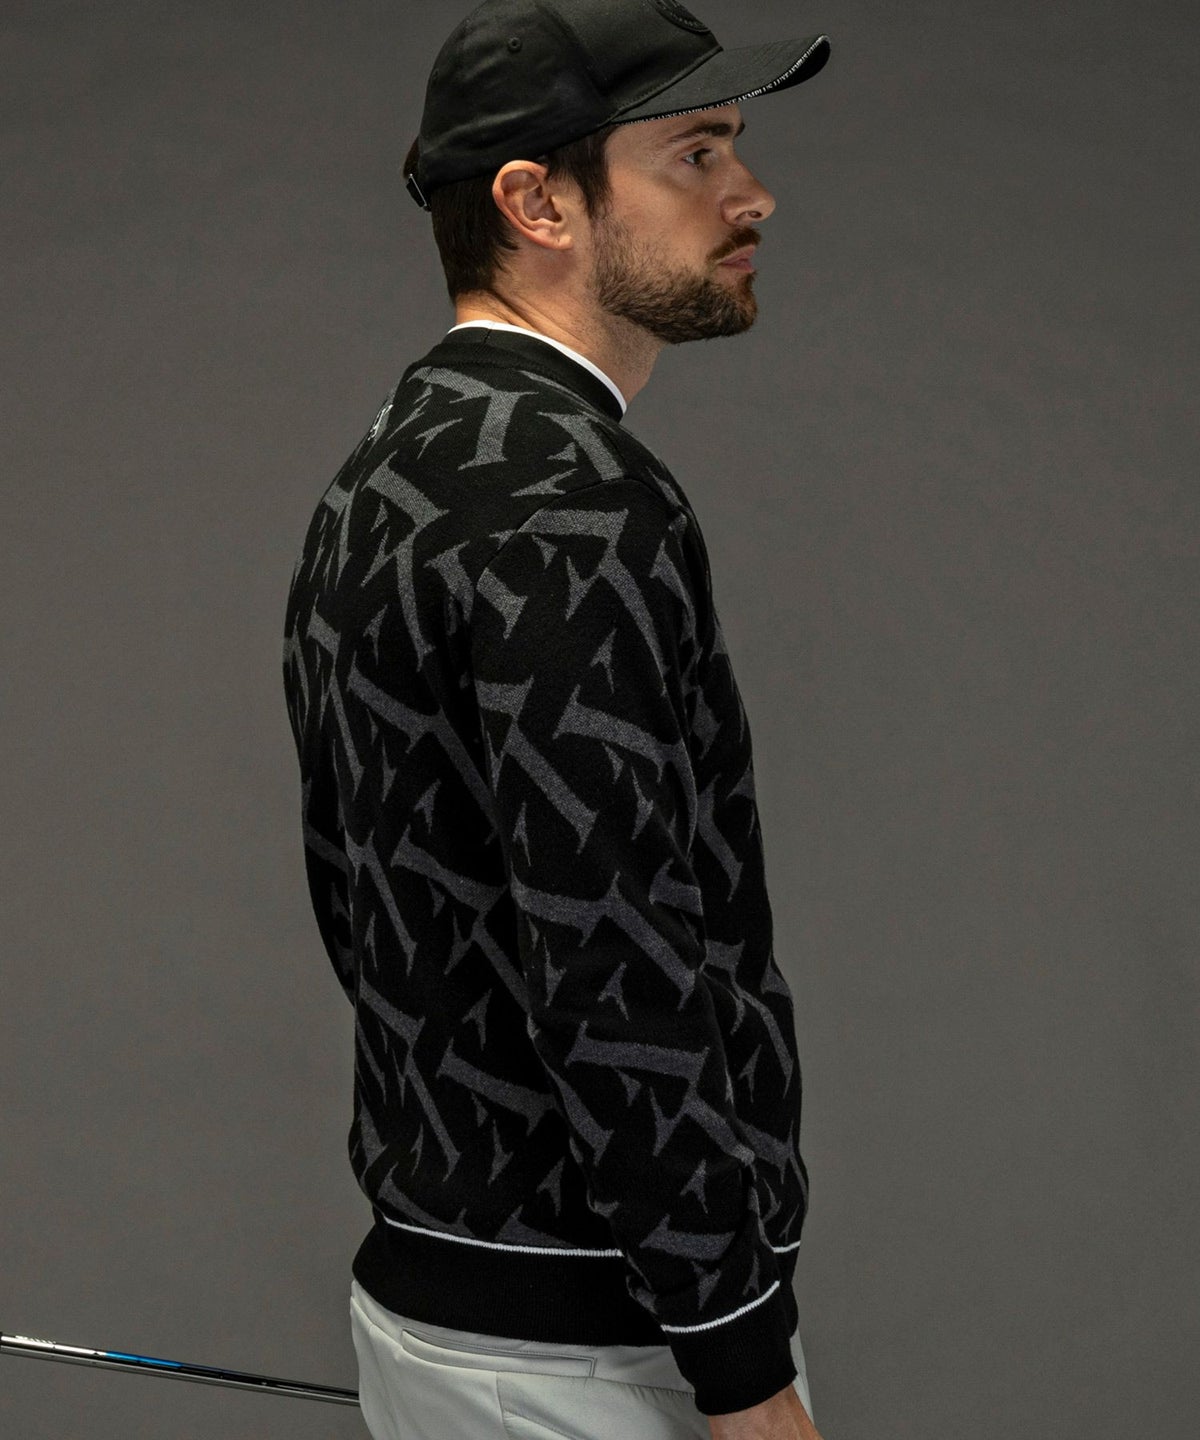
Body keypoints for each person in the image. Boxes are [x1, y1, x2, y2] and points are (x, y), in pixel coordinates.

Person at [281, 2, 832, 1436]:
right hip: (593, 1355)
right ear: (539, 203)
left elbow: (366, 901)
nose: (751, 193)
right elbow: (616, 962)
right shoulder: (568, 496)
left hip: (449, 1312)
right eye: (694, 152)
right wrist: (741, 1361)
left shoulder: (387, 467)